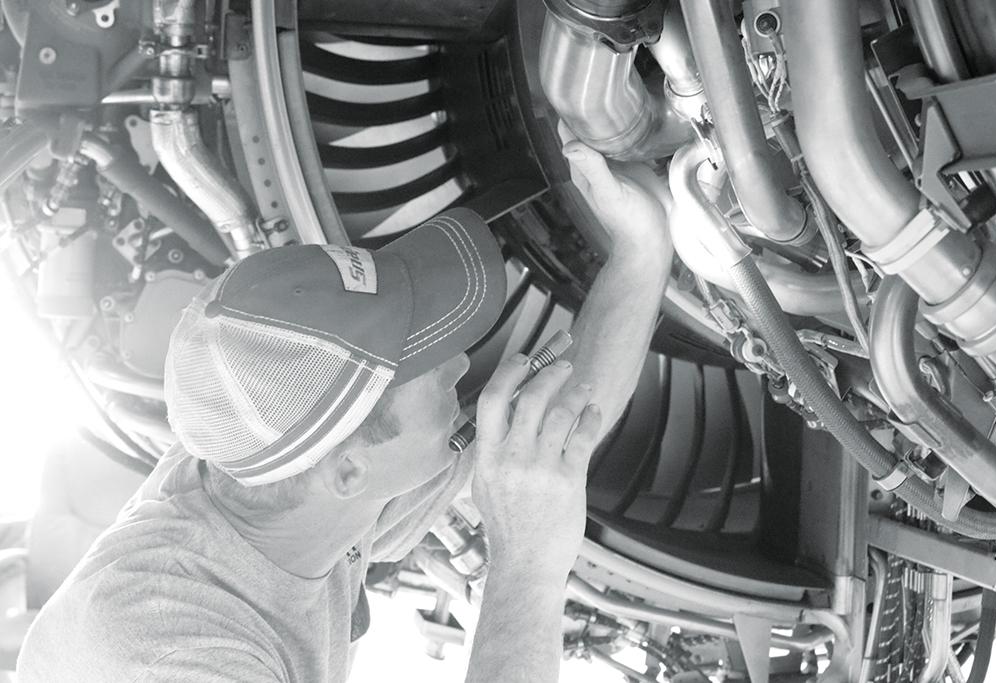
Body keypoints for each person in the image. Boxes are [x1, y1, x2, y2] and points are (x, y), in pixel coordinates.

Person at [17, 129, 673, 682]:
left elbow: (552, 434)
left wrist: (643, 249)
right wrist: (526, 568)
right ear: (350, 471)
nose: (458, 366)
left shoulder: (294, 483)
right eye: (425, 366)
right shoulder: (167, 658)